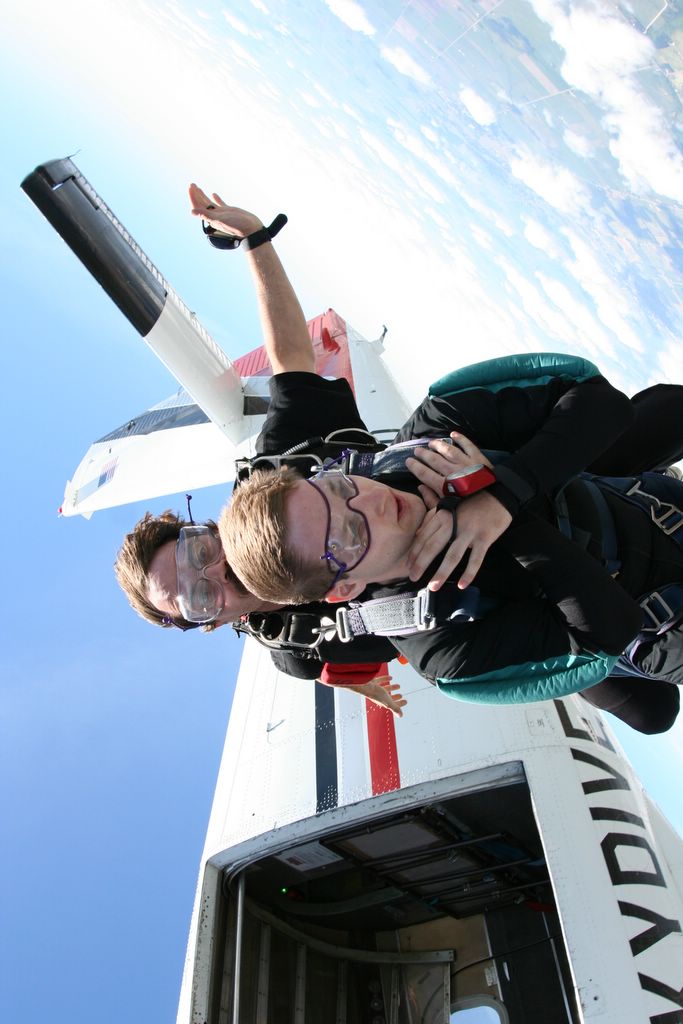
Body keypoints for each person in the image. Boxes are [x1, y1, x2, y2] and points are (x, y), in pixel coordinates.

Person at [220, 353, 683, 731]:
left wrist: (505, 490)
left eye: (339, 489)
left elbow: (602, 401)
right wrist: (502, 513)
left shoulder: (431, 438)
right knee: (651, 713)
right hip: (664, 620)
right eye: (347, 535)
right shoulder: (437, 644)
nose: (372, 504)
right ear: (345, 589)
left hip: (653, 507)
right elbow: (612, 630)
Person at [115, 184, 406, 715]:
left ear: (208, 529)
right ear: (213, 622)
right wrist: (361, 683)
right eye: (199, 596)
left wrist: (255, 238)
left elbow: (291, 361)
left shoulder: (285, 462)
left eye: (197, 553)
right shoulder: (301, 650)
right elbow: (330, 672)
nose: (216, 571)